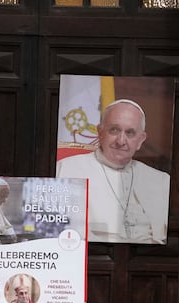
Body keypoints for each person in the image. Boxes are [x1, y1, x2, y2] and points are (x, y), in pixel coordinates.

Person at [55, 99, 170, 244]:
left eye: (130, 133)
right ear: (100, 132)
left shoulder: (161, 181)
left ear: (140, 140)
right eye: (114, 130)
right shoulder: (65, 170)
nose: (121, 141)